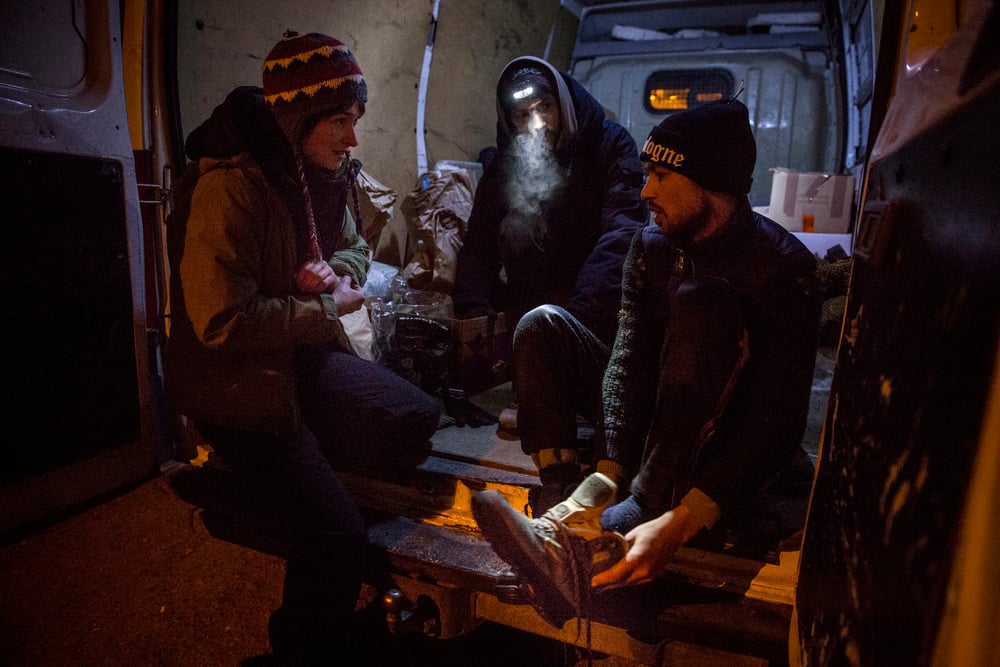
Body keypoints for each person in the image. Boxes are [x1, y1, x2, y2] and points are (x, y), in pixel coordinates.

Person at [471, 97, 821, 626]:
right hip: (654, 422)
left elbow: (777, 424)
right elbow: (628, 361)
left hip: (716, 437)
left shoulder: (784, 270)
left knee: (701, 304)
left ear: (712, 183)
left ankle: (611, 525)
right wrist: (606, 477)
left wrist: (678, 521)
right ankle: (559, 517)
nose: (646, 191)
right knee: (542, 323)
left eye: (660, 175)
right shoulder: (653, 245)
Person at [164, 31, 441, 664]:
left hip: (292, 358)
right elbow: (220, 324)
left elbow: (354, 249)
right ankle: (298, 648)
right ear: (297, 119)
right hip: (237, 386)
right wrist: (321, 307)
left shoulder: (325, 175)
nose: (353, 138)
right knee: (337, 532)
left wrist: (329, 272)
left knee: (415, 418)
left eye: (355, 120)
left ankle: (307, 464)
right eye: (340, 121)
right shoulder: (231, 188)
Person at [452, 56, 647, 509]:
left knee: (606, 385)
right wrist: (471, 313)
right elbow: (479, 244)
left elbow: (624, 234)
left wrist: (576, 315)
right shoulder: (505, 165)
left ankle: (606, 477)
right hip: (535, 318)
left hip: (597, 310)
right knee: (537, 347)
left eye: (544, 108)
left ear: (563, 104)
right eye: (523, 115)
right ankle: (556, 482)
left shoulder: (608, 145)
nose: (536, 123)